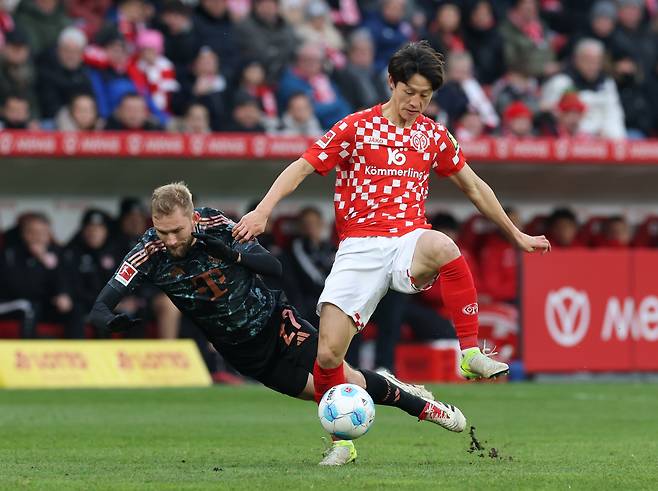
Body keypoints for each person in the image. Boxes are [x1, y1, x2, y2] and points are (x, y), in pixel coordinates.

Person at [233, 41, 551, 462]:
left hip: (408, 240)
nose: (416, 103)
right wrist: (262, 211)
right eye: (410, 92)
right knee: (327, 354)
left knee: (444, 245)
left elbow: (475, 187)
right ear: (391, 83)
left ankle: (470, 353)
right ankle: (341, 444)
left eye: (425, 96)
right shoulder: (356, 127)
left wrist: (515, 234)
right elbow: (303, 166)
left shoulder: (433, 135)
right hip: (359, 248)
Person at [89, 182, 467, 466]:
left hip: (275, 321)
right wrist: (109, 320)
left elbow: (273, 267)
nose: (171, 240)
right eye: (163, 231)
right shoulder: (149, 251)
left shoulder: (218, 225)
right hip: (241, 350)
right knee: (321, 394)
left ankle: (421, 411)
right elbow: (101, 305)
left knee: (338, 379)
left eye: (177, 230)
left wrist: (232, 253)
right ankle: (385, 397)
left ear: (192, 218)